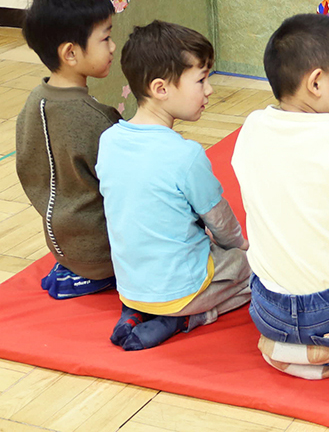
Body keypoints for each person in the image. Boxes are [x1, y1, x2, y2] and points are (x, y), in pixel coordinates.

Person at [232, 14, 329, 380]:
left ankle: (284, 345)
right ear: (316, 82)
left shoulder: (250, 127)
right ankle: (327, 350)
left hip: (267, 308)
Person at [97, 21, 251, 351]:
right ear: (161, 89)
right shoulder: (186, 155)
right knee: (258, 274)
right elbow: (222, 224)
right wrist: (241, 247)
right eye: (201, 79)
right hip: (181, 292)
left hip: (131, 287)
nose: (209, 90)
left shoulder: (108, 141)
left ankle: (137, 312)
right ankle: (186, 319)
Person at [16, 0, 120, 299]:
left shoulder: (34, 102)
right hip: (101, 254)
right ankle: (99, 274)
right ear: (71, 53)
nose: (113, 47)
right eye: (106, 38)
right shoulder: (98, 119)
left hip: (61, 243)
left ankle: (75, 264)